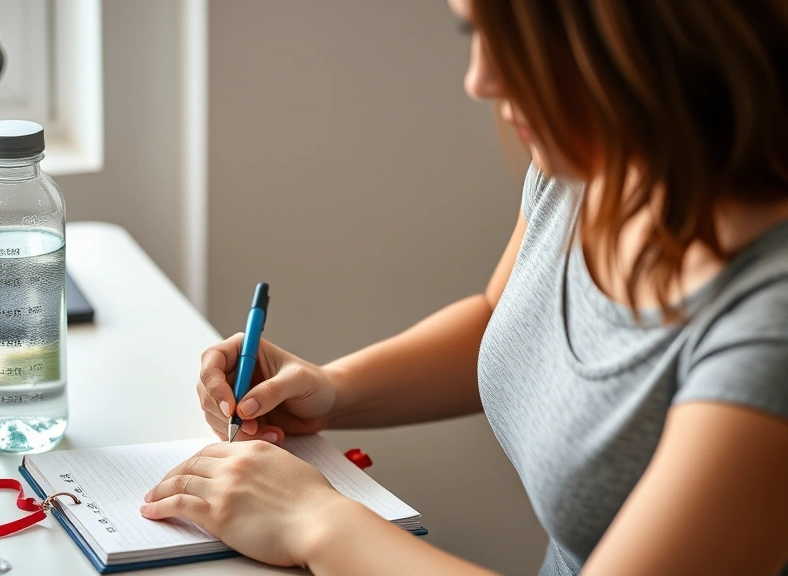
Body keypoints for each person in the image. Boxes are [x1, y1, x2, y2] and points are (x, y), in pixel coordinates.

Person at [141, 0, 788, 574]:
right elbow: (501, 316)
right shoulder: (600, 160)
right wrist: (330, 393)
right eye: (473, 32)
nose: (480, 79)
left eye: (521, 39)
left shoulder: (769, 329)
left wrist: (316, 522)